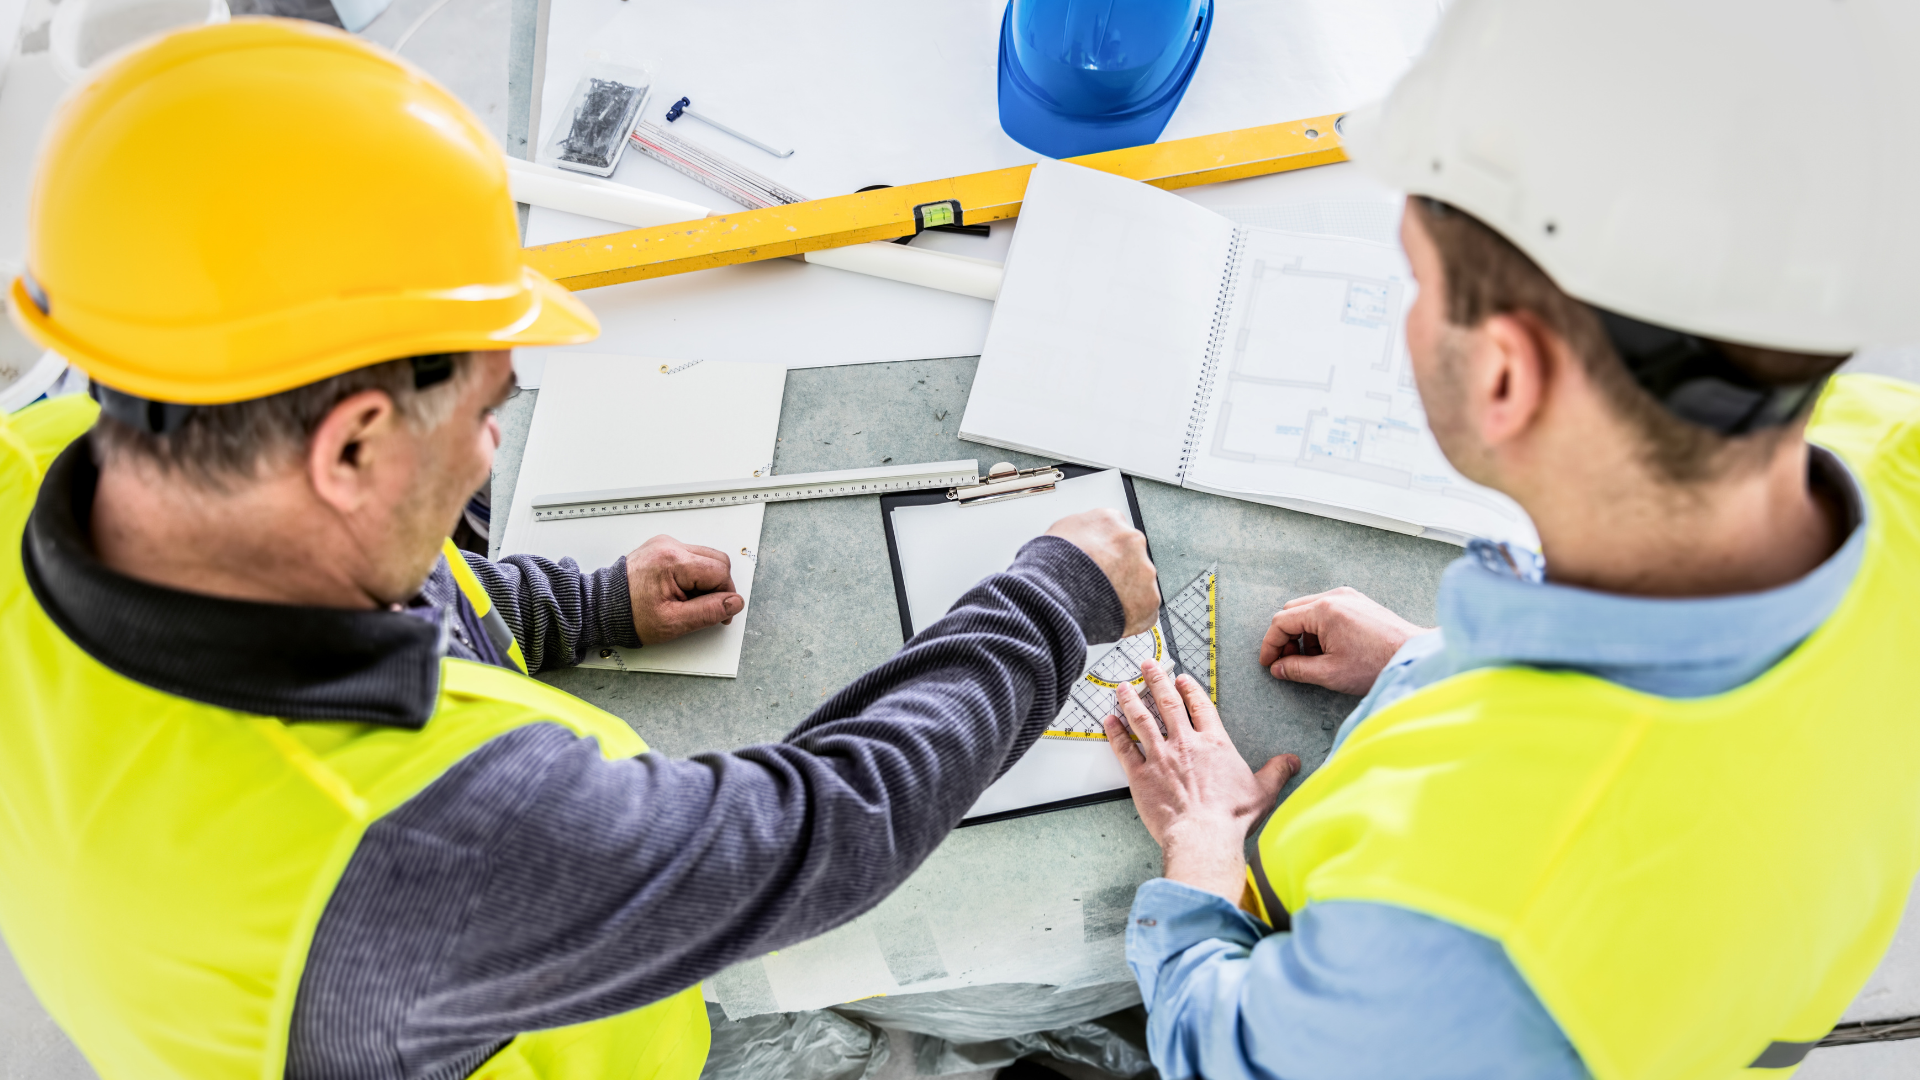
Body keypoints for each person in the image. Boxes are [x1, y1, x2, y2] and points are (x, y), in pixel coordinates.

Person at [0, 21, 1162, 1080]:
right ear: (351, 446)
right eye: (486, 410)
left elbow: (358, 589)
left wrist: (575, 606)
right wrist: (1052, 602)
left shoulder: (39, 460)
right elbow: (816, 829)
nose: (493, 449)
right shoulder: (409, 833)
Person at [1099, 1, 1920, 1077]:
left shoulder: (1470, 932)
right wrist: (1420, 669)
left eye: (1417, 282)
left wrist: (1206, 852)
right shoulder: (1892, 445)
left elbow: (1231, 1054)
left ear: (1503, 377)